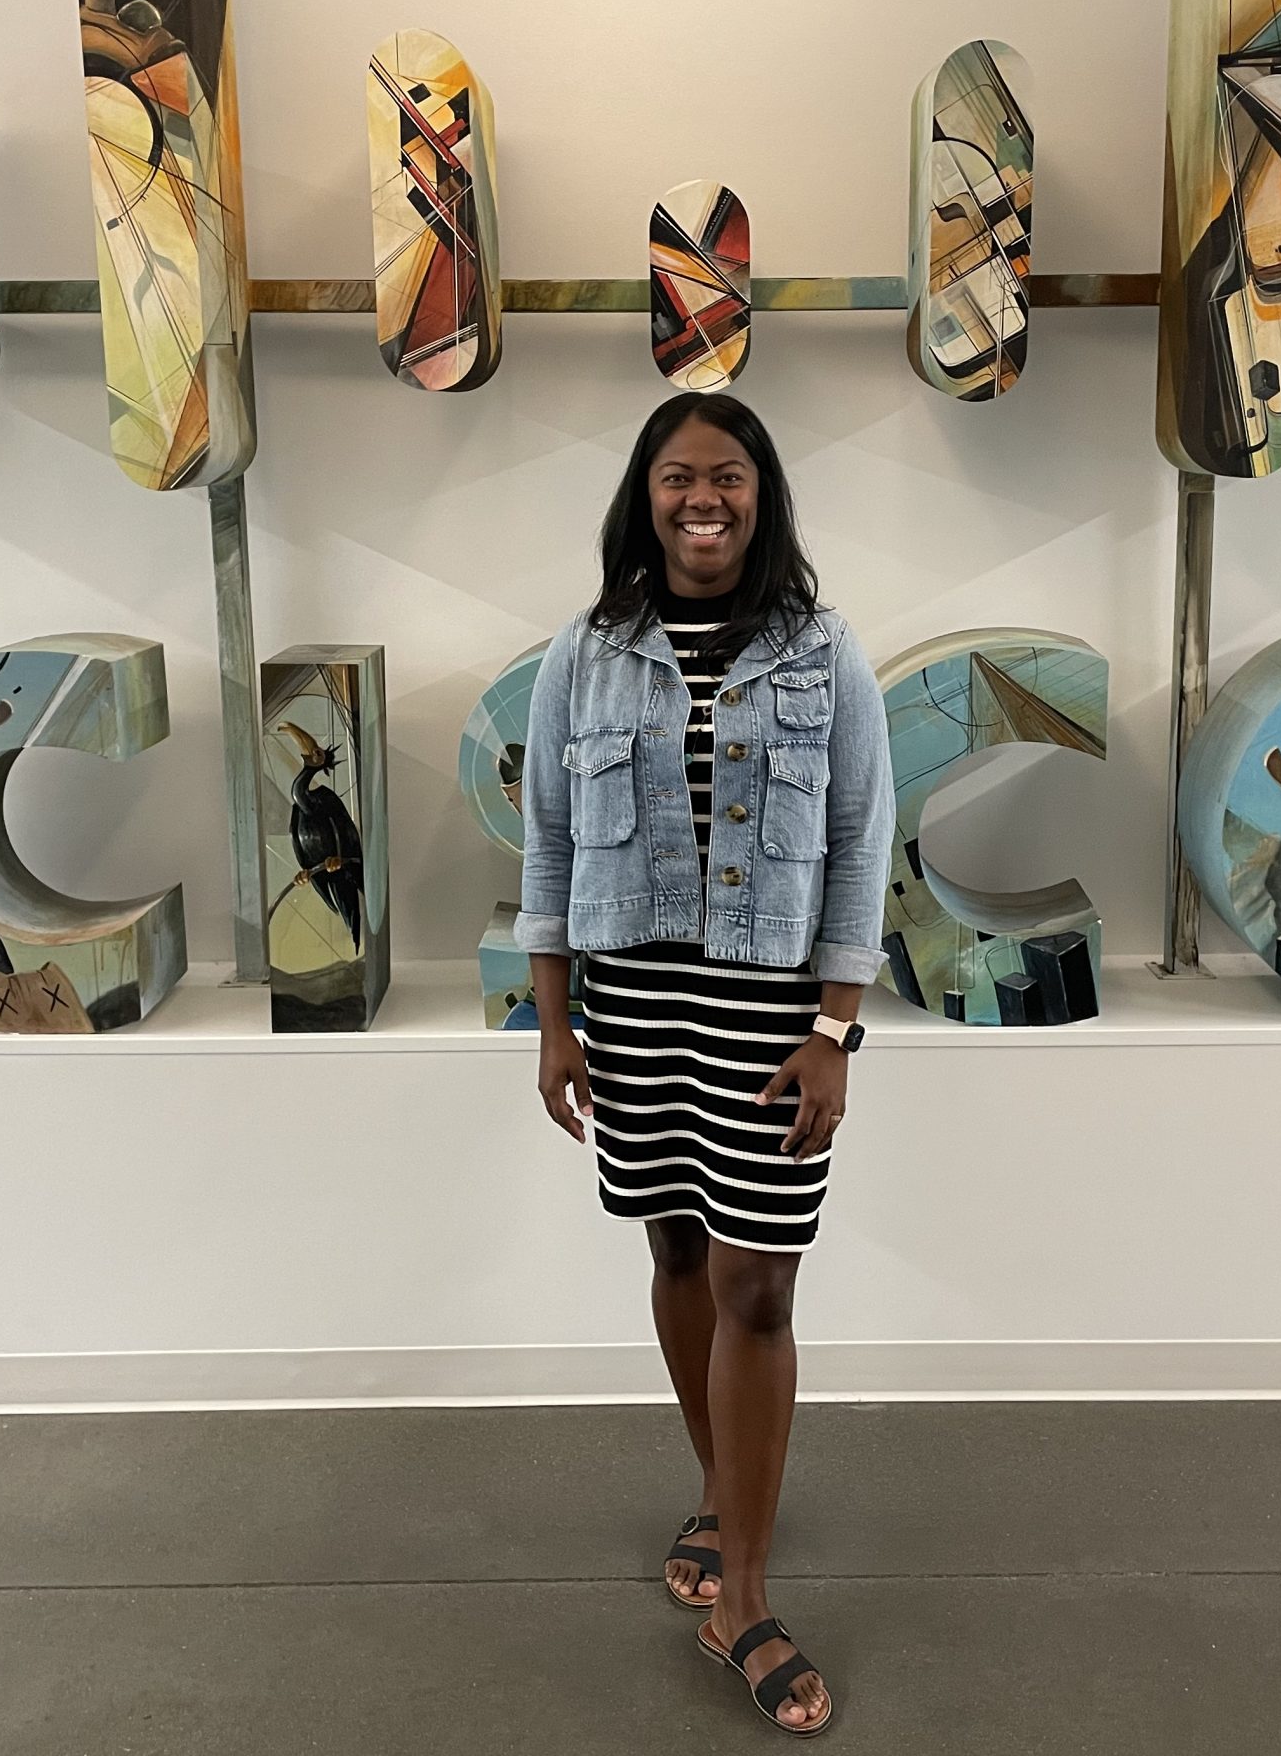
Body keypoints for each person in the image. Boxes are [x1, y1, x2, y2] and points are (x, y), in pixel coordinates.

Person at [518, 390, 893, 1737]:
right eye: (678, 476)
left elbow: (860, 841)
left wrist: (835, 1030)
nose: (703, 500)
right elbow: (549, 846)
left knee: (762, 1285)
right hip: (631, 1005)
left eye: (727, 476)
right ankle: (724, 1498)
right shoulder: (586, 652)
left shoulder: (824, 652)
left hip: (769, 1014)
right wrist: (553, 1023)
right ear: (646, 493)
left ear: (761, 493)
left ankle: (745, 1598)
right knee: (678, 1251)